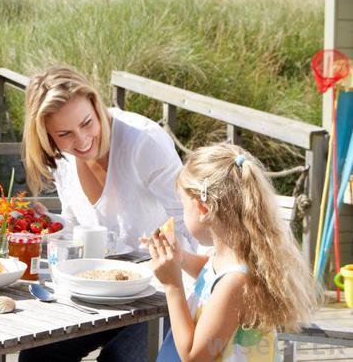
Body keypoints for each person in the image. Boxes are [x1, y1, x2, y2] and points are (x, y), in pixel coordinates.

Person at [19, 66, 197, 361]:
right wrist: (53, 227)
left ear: (95, 104)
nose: (82, 140)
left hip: (160, 294)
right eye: (64, 134)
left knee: (118, 359)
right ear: (48, 137)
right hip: (96, 290)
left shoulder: (143, 142)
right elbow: (78, 224)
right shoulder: (62, 158)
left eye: (87, 123)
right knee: (37, 355)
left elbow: (190, 223)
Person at [148, 143, 316, 361]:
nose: (182, 213)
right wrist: (179, 258)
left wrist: (172, 285)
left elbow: (194, 356)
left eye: (183, 206)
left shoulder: (237, 283)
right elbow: (210, 276)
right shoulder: (229, 256)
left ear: (203, 209)